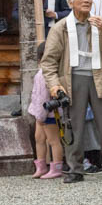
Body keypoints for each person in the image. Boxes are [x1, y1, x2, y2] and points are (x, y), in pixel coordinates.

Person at [39, 0, 102, 182]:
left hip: (99, 77)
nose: (86, 1)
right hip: (72, 79)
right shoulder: (60, 27)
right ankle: (75, 169)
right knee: (73, 125)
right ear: (70, 3)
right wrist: (53, 84)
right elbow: (48, 60)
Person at [27, 42, 65, 179]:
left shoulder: (47, 74)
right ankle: (41, 166)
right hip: (40, 113)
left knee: (53, 140)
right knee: (39, 139)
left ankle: (56, 167)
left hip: (49, 113)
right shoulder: (41, 73)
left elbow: (44, 97)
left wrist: (41, 116)